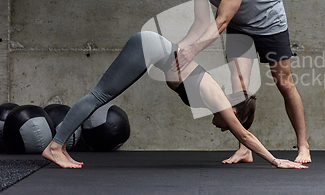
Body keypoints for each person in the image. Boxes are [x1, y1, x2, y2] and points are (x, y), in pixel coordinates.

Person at [42, 31, 307, 169]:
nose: (223, 129)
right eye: (228, 126)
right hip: (149, 47)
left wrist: (245, 150)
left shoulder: (219, 99)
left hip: (153, 49)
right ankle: (55, 146)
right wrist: (275, 160)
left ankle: (60, 146)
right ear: (233, 113)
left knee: (100, 95)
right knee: (100, 95)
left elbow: (243, 134)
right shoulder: (219, 100)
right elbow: (246, 135)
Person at [173, 0, 311, 164]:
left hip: (270, 24)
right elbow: (201, 22)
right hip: (240, 27)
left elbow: (221, 21)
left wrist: (194, 50)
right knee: (239, 87)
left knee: (284, 84)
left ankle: (303, 145)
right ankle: (245, 149)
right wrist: (183, 47)